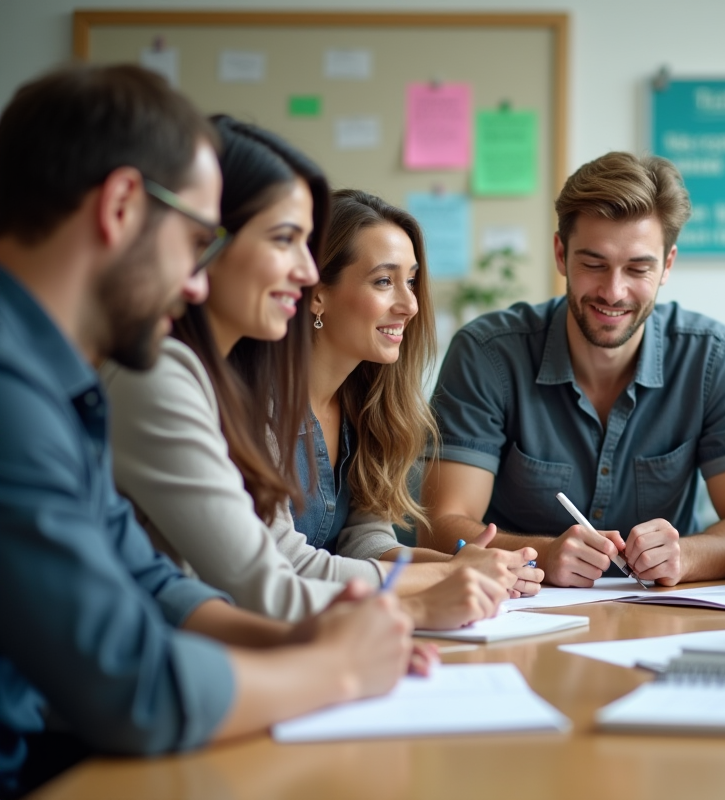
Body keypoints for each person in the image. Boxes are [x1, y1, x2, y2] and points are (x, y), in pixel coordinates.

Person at [0, 64, 421, 798]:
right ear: (123, 206)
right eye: (197, 238)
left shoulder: (60, 382)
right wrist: (336, 669)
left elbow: (154, 582)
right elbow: (133, 685)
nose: (197, 280)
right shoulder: (16, 394)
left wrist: (301, 638)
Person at [103, 116, 509, 627]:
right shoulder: (173, 378)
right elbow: (271, 578)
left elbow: (325, 556)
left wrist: (456, 573)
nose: (303, 269)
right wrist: (428, 593)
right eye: (283, 239)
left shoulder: (335, 394)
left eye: (411, 281)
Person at [422, 151, 725, 587]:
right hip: (519, 611)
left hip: (664, 618)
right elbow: (440, 526)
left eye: (637, 268)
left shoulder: (711, 356)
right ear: (560, 254)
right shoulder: (488, 354)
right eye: (594, 264)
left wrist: (686, 556)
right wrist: (543, 554)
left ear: (667, 265)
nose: (613, 291)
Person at [299, 188, 543, 596]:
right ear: (317, 293)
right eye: (383, 281)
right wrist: (446, 575)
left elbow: (365, 542)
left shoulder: (366, 404)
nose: (410, 304)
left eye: (410, 281)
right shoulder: (257, 407)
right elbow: (286, 563)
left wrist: (469, 565)